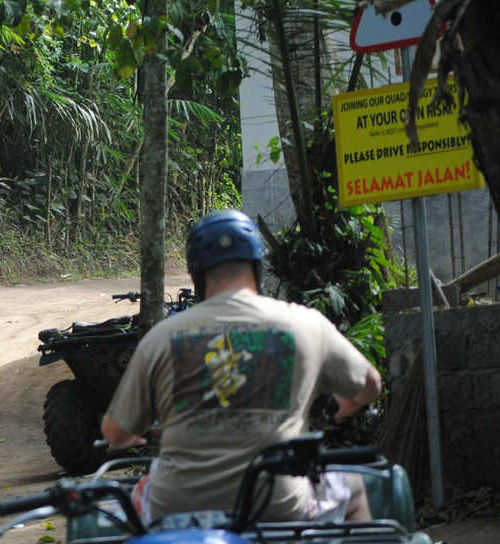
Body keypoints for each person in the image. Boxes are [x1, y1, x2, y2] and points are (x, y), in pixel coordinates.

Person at [101, 210, 383, 525]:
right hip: (279, 508)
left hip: (179, 511)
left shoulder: (161, 338)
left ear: (197, 273)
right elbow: (371, 383)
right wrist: (350, 403)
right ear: (257, 267)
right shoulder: (306, 323)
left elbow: (115, 432)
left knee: (115, 512)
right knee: (354, 487)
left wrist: (131, 437)